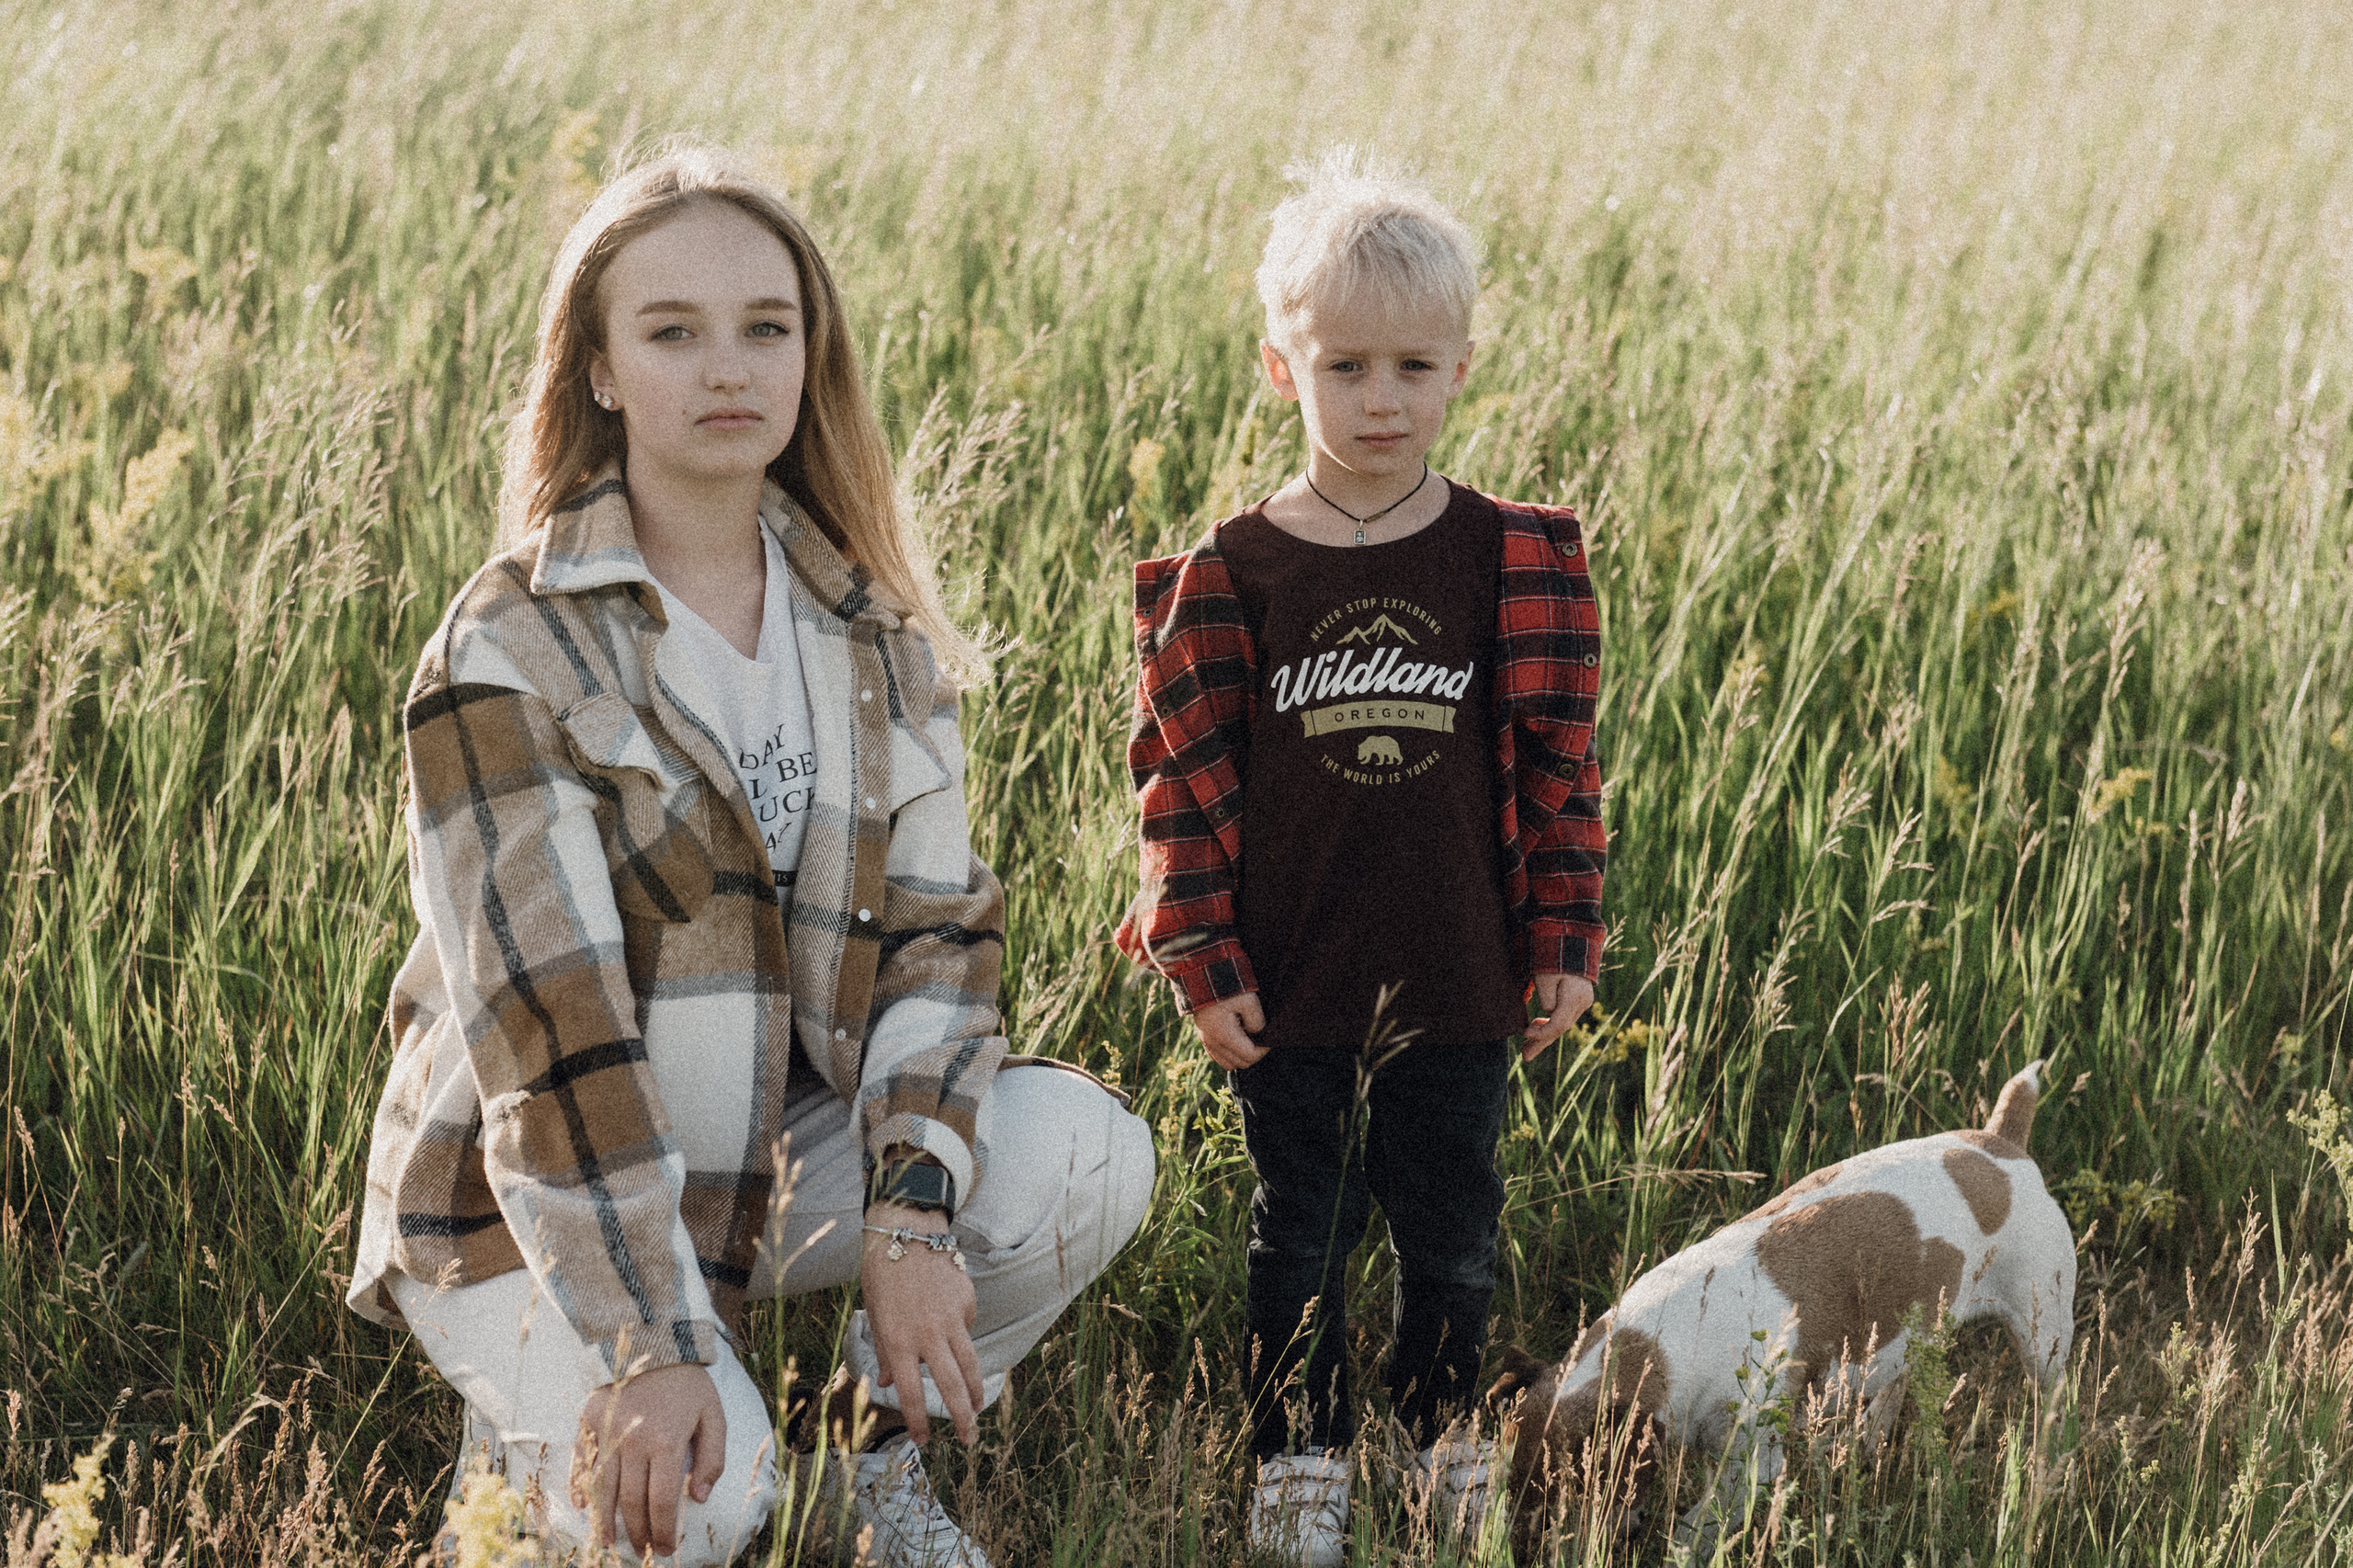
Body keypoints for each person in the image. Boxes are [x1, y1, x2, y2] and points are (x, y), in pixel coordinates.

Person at [348, 147, 1154, 1568]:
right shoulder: (508, 645)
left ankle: (866, 1461)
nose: (728, 366)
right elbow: (554, 1039)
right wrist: (651, 1341)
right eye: (671, 331)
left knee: (1086, 1158)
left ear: (808, 353)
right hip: (533, 1201)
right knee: (699, 1510)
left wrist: (911, 1211)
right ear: (599, 369)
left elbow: (938, 941)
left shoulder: (870, 629)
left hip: (780, 1152)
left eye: (764, 327)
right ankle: (535, 1446)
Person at [1113, 150, 1607, 1565]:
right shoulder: (1235, 574)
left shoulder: (1510, 562)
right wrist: (1201, 966)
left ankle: (1447, 1425)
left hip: (1461, 977)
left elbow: (1561, 773)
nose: (1379, 400)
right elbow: (1182, 793)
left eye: (1411, 366)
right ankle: (1300, 1450)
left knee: (1455, 1220)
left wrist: (1562, 940)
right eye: (1343, 366)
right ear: (1282, 368)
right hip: (1295, 986)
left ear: (1461, 367)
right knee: (1302, 1236)